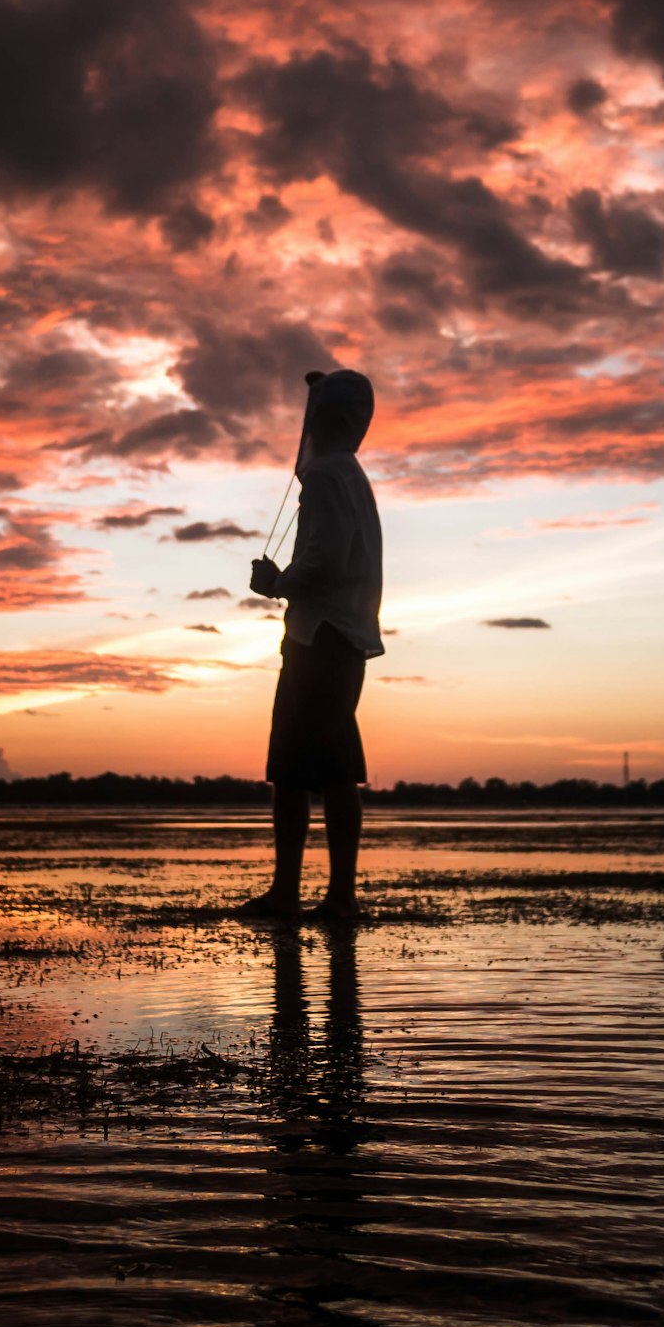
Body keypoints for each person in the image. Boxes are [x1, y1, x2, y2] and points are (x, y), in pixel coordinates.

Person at [238, 368, 383, 922]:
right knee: (296, 769)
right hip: (330, 637)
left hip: (321, 638)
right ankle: (297, 893)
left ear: (320, 419)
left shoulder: (325, 476)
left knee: (330, 769)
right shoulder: (352, 475)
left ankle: (332, 897)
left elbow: (322, 561)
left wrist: (277, 583)